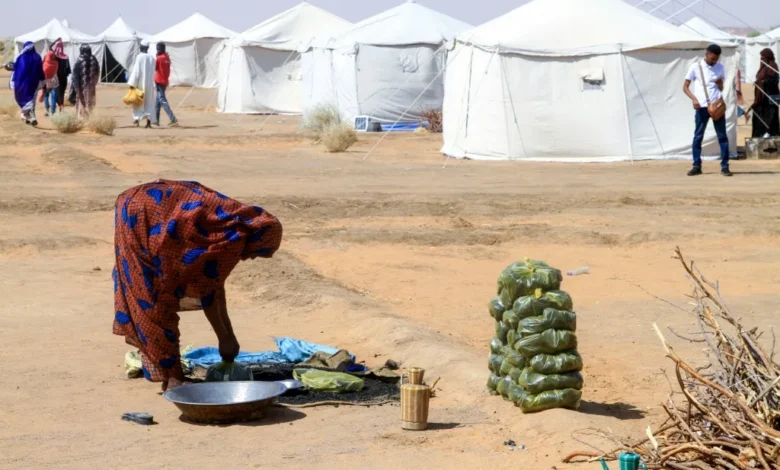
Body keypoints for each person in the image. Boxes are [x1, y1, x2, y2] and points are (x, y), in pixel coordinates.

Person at [112, 180, 282, 391]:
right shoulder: (233, 239)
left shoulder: (232, 225)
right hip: (146, 211)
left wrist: (228, 336)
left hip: (134, 204)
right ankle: (173, 379)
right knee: (153, 295)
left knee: (145, 285)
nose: (252, 258)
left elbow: (214, 286)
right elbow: (209, 290)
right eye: (259, 253)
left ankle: (167, 371)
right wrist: (225, 339)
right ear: (258, 240)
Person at [683, 44, 732, 177]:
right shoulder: (696, 67)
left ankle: (725, 166)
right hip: (702, 107)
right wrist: (694, 99)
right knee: (698, 136)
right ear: (707, 54)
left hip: (717, 106)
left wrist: (720, 84)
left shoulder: (720, 67)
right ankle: (696, 165)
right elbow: (685, 86)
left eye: (716, 59)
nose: (714, 61)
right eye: (712, 58)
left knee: (722, 136)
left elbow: (721, 88)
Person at [10, 41, 44, 126]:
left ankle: (27, 115)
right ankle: (30, 116)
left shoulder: (20, 57)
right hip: (34, 82)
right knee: (32, 99)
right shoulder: (37, 57)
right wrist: (43, 79)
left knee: (23, 98)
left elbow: (16, 70)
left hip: (21, 83)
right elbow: (40, 70)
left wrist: (14, 80)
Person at [750, 48, 780, 138]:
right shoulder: (762, 68)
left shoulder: (773, 67)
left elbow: (774, 81)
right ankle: (759, 135)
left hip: (770, 99)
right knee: (758, 117)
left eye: (763, 57)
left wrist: (764, 83)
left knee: (770, 119)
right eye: (761, 57)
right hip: (761, 99)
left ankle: (769, 134)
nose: (762, 59)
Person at [127, 40, 156, 128]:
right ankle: (148, 122)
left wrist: (132, 83)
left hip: (140, 84)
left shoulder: (139, 57)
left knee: (137, 102)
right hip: (150, 84)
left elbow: (136, 71)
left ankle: (136, 120)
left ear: (142, 47)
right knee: (149, 102)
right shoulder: (152, 58)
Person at [68, 44, 100, 120]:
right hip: (91, 86)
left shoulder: (79, 60)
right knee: (90, 101)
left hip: (81, 87)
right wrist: (94, 83)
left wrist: (74, 87)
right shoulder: (94, 59)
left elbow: (74, 75)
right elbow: (97, 72)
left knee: (81, 101)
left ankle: (82, 119)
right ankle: (89, 118)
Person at [153, 42, 178, 127]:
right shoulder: (167, 58)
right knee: (157, 101)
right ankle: (156, 120)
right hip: (164, 81)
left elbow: (155, 68)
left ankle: (172, 118)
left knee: (162, 100)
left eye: (158, 48)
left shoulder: (159, 58)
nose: (157, 50)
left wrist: (156, 57)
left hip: (159, 81)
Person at [52, 39, 71, 113]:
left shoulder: (54, 57)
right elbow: (68, 70)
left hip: (56, 78)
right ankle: (61, 107)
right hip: (64, 78)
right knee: (62, 93)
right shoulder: (66, 57)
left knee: (56, 93)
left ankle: (59, 107)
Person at [42, 42, 60, 117]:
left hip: (45, 81)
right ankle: (53, 111)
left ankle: (47, 110)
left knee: (46, 95)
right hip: (54, 81)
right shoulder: (56, 63)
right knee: (53, 96)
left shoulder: (44, 63)